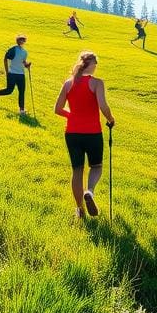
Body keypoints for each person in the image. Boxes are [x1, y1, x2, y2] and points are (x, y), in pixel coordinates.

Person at [54, 51, 115, 219]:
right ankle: (90, 192)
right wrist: (111, 119)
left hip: (72, 133)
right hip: (92, 132)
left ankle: (80, 209)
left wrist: (72, 116)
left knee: (77, 170)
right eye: (96, 64)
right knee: (96, 166)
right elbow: (103, 106)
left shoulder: (68, 83)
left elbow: (57, 109)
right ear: (92, 65)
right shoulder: (97, 83)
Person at [0, 35, 31, 115]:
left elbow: (23, 62)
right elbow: (5, 59)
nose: (22, 42)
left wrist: (27, 65)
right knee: (9, 91)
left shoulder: (25, 52)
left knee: (22, 92)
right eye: (20, 40)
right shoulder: (13, 49)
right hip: (12, 73)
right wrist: (7, 71)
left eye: (23, 40)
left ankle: (21, 110)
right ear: (17, 41)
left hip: (21, 74)